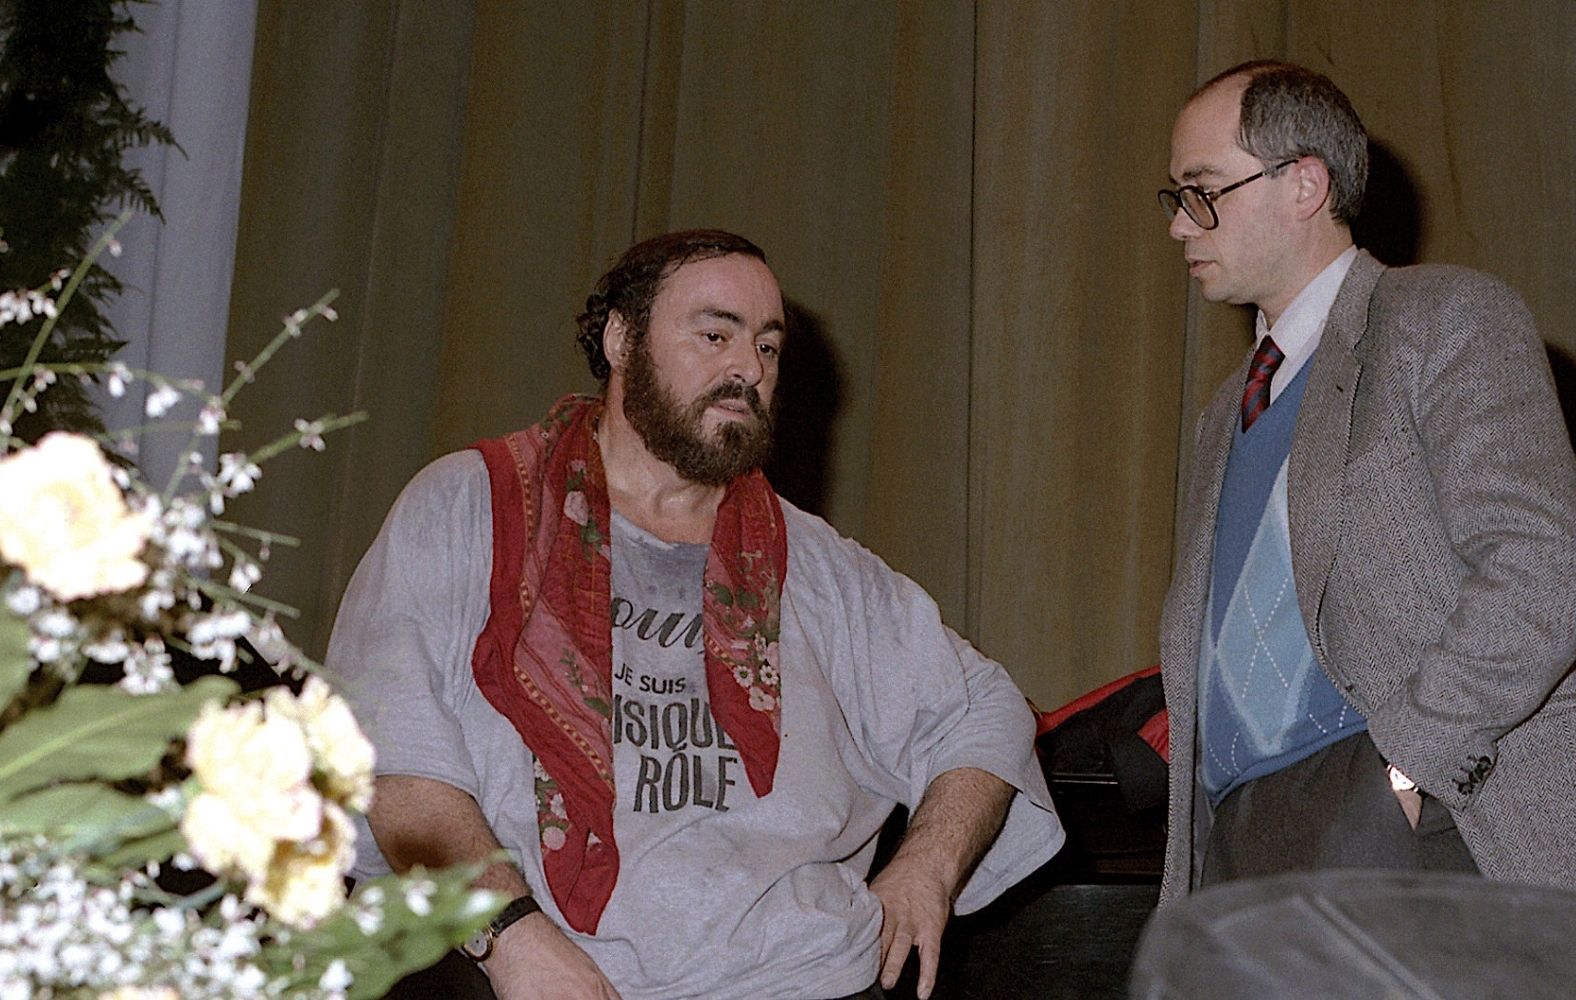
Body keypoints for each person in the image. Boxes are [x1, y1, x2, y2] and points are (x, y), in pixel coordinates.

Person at [327, 229, 1063, 999]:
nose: (748, 368)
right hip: (535, 973)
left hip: (805, 980)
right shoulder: (470, 509)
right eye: (715, 334)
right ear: (621, 337)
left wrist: (925, 870)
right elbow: (394, 770)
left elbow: (982, 707)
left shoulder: (813, 562)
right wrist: (512, 940)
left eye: (768, 348)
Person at [1154, 61, 1576, 901]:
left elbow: (1545, 563)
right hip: (1236, 848)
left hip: (1407, 815)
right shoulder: (1222, 413)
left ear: (1304, 183)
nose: (1181, 227)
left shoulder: (1443, 319)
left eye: (1203, 192)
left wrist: (1406, 775)